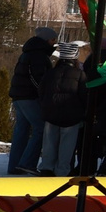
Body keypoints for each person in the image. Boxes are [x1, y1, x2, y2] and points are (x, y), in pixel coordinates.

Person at [6, 28, 55, 176]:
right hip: (30, 97)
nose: (54, 43)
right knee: (40, 128)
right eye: (53, 40)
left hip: (19, 97)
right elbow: (37, 77)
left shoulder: (28, 52)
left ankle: (15, 165)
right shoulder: (39, 55)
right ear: (47, 40)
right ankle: (26, 163)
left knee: (22, 130)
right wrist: (44, 94)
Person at [40, 40, 89, 176]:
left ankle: (47, 168)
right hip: (71, 115)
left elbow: (41, 91)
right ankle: (62, 171)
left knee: (49, 143)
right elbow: (84, 95)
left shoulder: (50, 73)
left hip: (51, 113)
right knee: (67, 146)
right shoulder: (80, 74)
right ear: (75, 57)